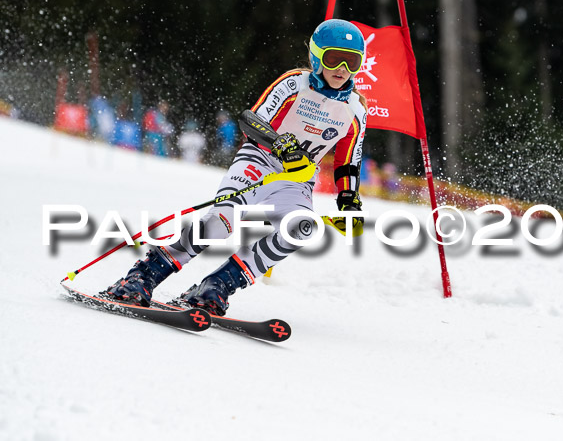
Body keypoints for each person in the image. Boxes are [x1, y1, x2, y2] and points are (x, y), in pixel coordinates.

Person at [103, 19, 368, 316]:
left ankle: (217, 285)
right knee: (220, 222)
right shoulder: (295, 83)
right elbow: (251, 120)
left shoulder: (356, 110)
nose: (342, 68)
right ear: (317, 56)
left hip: (295, 183)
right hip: (259, 161)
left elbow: (349, 161)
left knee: (301, 229)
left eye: (352, 61)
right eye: (334, 58)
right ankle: (144, 274)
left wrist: (349, 201)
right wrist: (282, 146)